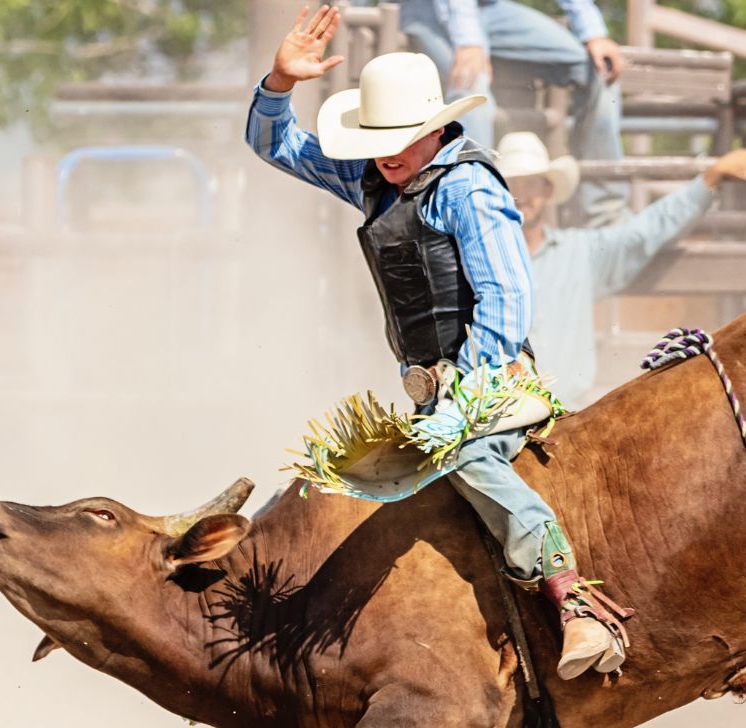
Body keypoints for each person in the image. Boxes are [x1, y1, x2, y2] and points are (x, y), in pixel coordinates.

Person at [247, 5, 627, 677]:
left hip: (495, 383)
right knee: (349, 481)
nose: (387, 150)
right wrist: (279, 84)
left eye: (400, 135)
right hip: (435, 395)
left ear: (435, 128)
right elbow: (276, 146)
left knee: (468, 458)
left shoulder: (469, 188)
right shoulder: (374, 175)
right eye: (377, 136)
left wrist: (460, 406)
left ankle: (576, 601)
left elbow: (508, 301)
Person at [496, 131, 746, 407]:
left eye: (531, 184)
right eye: (512, 184)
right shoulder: (486, 256)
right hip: (504, 411)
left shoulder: (578, 252)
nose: (522, 194)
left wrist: (709, 179)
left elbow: (642, 234)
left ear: (547, 190)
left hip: (565, 414)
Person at [393, 0, 630, 224]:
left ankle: (602, 214)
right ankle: (474, 212)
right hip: (430, 10)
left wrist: (593, 32)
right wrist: (468, 41)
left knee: (599, 70)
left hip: (490, 10)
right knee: (472, 91)